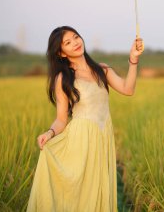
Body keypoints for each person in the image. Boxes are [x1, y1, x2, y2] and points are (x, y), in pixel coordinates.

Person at [26, 26, 144, 212]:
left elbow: (127, 89)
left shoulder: (102, 70)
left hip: (103, 137)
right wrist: (49, 133)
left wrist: (133, 60)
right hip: (81, 141)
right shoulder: (63, 78)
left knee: (98, 191)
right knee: (81, 194)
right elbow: (61, 120)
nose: (75, 43)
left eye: (75, 37)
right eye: (68, 42)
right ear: (61, 52)